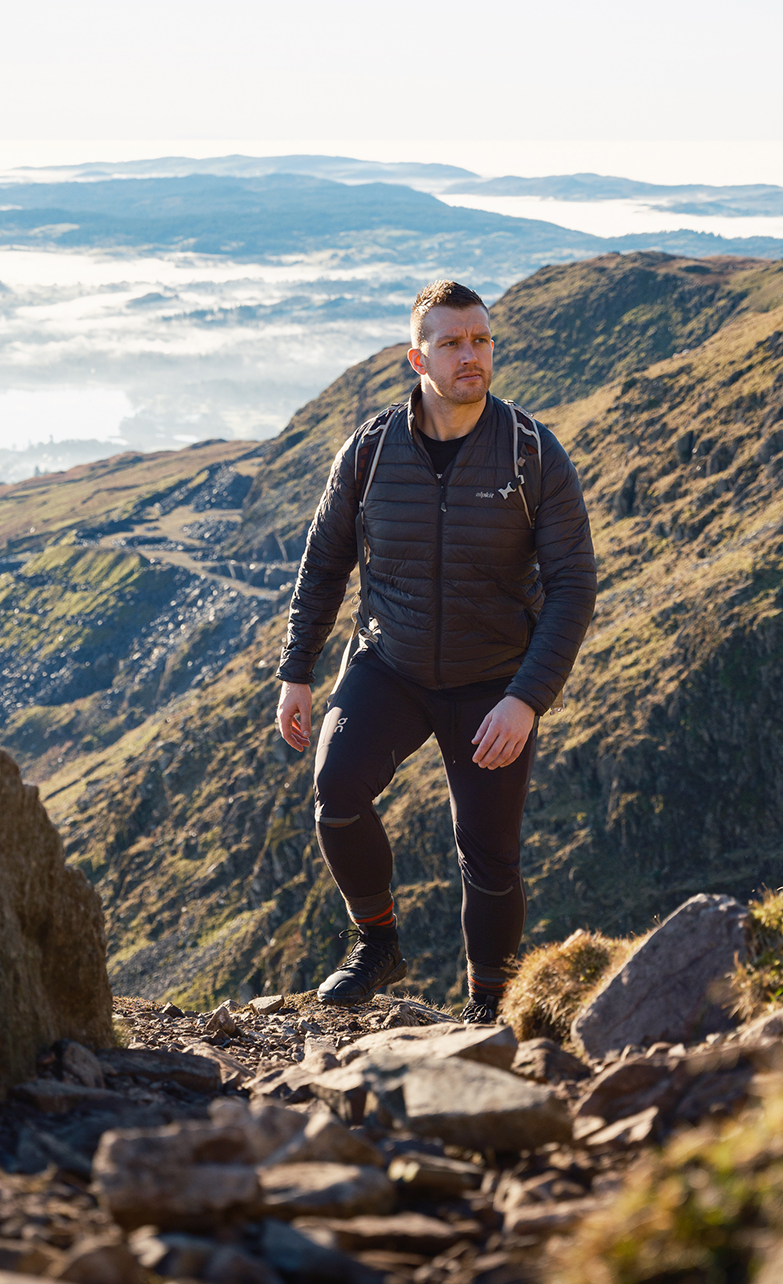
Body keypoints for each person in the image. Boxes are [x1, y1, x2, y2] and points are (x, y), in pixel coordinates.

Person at [273, 279, 597, 1023]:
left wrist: (525, 700)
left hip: (494, 682)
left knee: (489, 854)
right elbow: (323, 566)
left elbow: (574, 586)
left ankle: (489, 1008)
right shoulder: (369, 452)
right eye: (451, 343)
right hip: (391, 665)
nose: (470, 355)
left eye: (481, 339)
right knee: (336, 793)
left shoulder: (531, 453)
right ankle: (377, 943)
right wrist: (297, 671)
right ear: (418, 359)